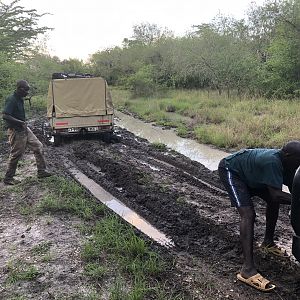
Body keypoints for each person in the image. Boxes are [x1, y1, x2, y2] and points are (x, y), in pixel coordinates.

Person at [218, 141, 300, 292]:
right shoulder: (272, 162)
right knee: (248, 214)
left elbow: (293, 190)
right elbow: (276, 195)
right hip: (232, 171)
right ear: (288, 156)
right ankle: (247, 270)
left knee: (272, 201)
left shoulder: (290, 164)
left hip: (252, 175)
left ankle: (268, 242)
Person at [2, 80, 52, 185]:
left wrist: (22, 122)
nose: (27, 92)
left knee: (38, 146)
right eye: (26, 89)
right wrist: (20, 122)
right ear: (20, 88)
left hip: (24, 128)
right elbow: (5, 115)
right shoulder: (11, 99)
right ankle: (8, 178)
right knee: (16, 154)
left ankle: (41, 171)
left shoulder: (20, 98)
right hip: (16, 130)